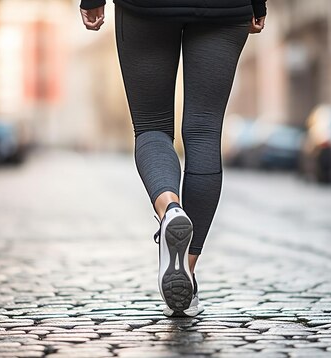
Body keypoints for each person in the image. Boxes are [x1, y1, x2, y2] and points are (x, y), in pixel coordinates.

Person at [80, 0, 266, 317]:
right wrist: (257, 4)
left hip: (146, 8)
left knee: (152, 127)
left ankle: (170, 209)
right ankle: (188, 271)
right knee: (205, 131)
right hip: (225, 9)